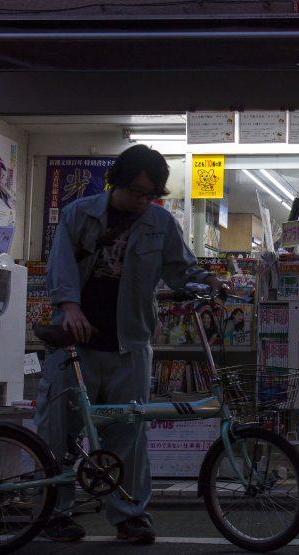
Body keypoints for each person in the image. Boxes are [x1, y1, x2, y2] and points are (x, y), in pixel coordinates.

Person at [39, 144, 225, 545]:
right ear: (116, 182)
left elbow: (181, 269)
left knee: (129, 437)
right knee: (61, 430)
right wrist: (69, 307)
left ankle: (130, 515)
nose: (142, 201)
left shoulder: (160, 223)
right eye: (137, 192)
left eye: (150, 194)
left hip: (131, 344)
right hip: (76, 343)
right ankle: (54, 512)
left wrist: (206, 282)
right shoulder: (78, 214)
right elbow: (60, 267)